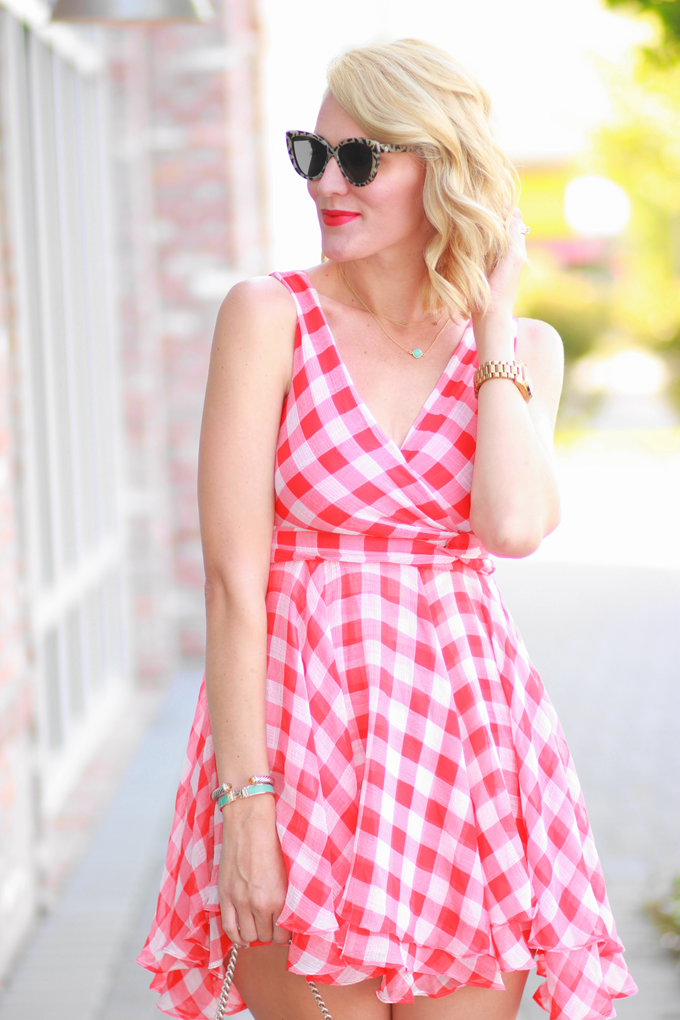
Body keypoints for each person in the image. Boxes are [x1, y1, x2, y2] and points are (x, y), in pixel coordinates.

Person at [138, 39, 637, 1020]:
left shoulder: (522, 349)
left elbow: (511, 526)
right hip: (299, 743)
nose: (327, 183)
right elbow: (234, 587)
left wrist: (491, 322)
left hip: (464, 751)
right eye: (312, 153)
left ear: (441, 172)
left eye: (360, 159)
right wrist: (246, 808)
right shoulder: (269, 316)